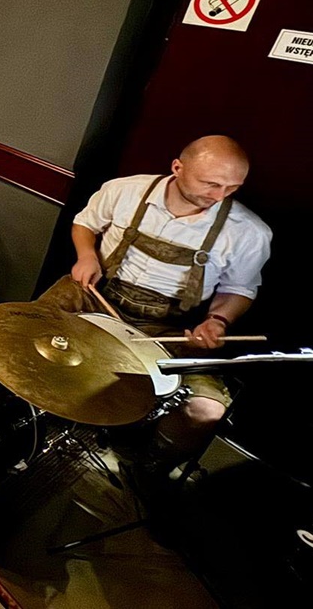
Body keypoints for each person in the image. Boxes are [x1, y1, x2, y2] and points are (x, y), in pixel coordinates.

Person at [53, 134, 272, 471]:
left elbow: (240, 289)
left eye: (232, 187)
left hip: (168, 328)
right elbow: (85, 223)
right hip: (96, 297)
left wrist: (217, 321)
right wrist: (86, 255)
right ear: (177, 167)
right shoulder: (124, 190)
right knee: (25, 332)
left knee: (206, 409)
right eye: (211, 184)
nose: (219, 196)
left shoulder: (249, 232)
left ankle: (143, 468)